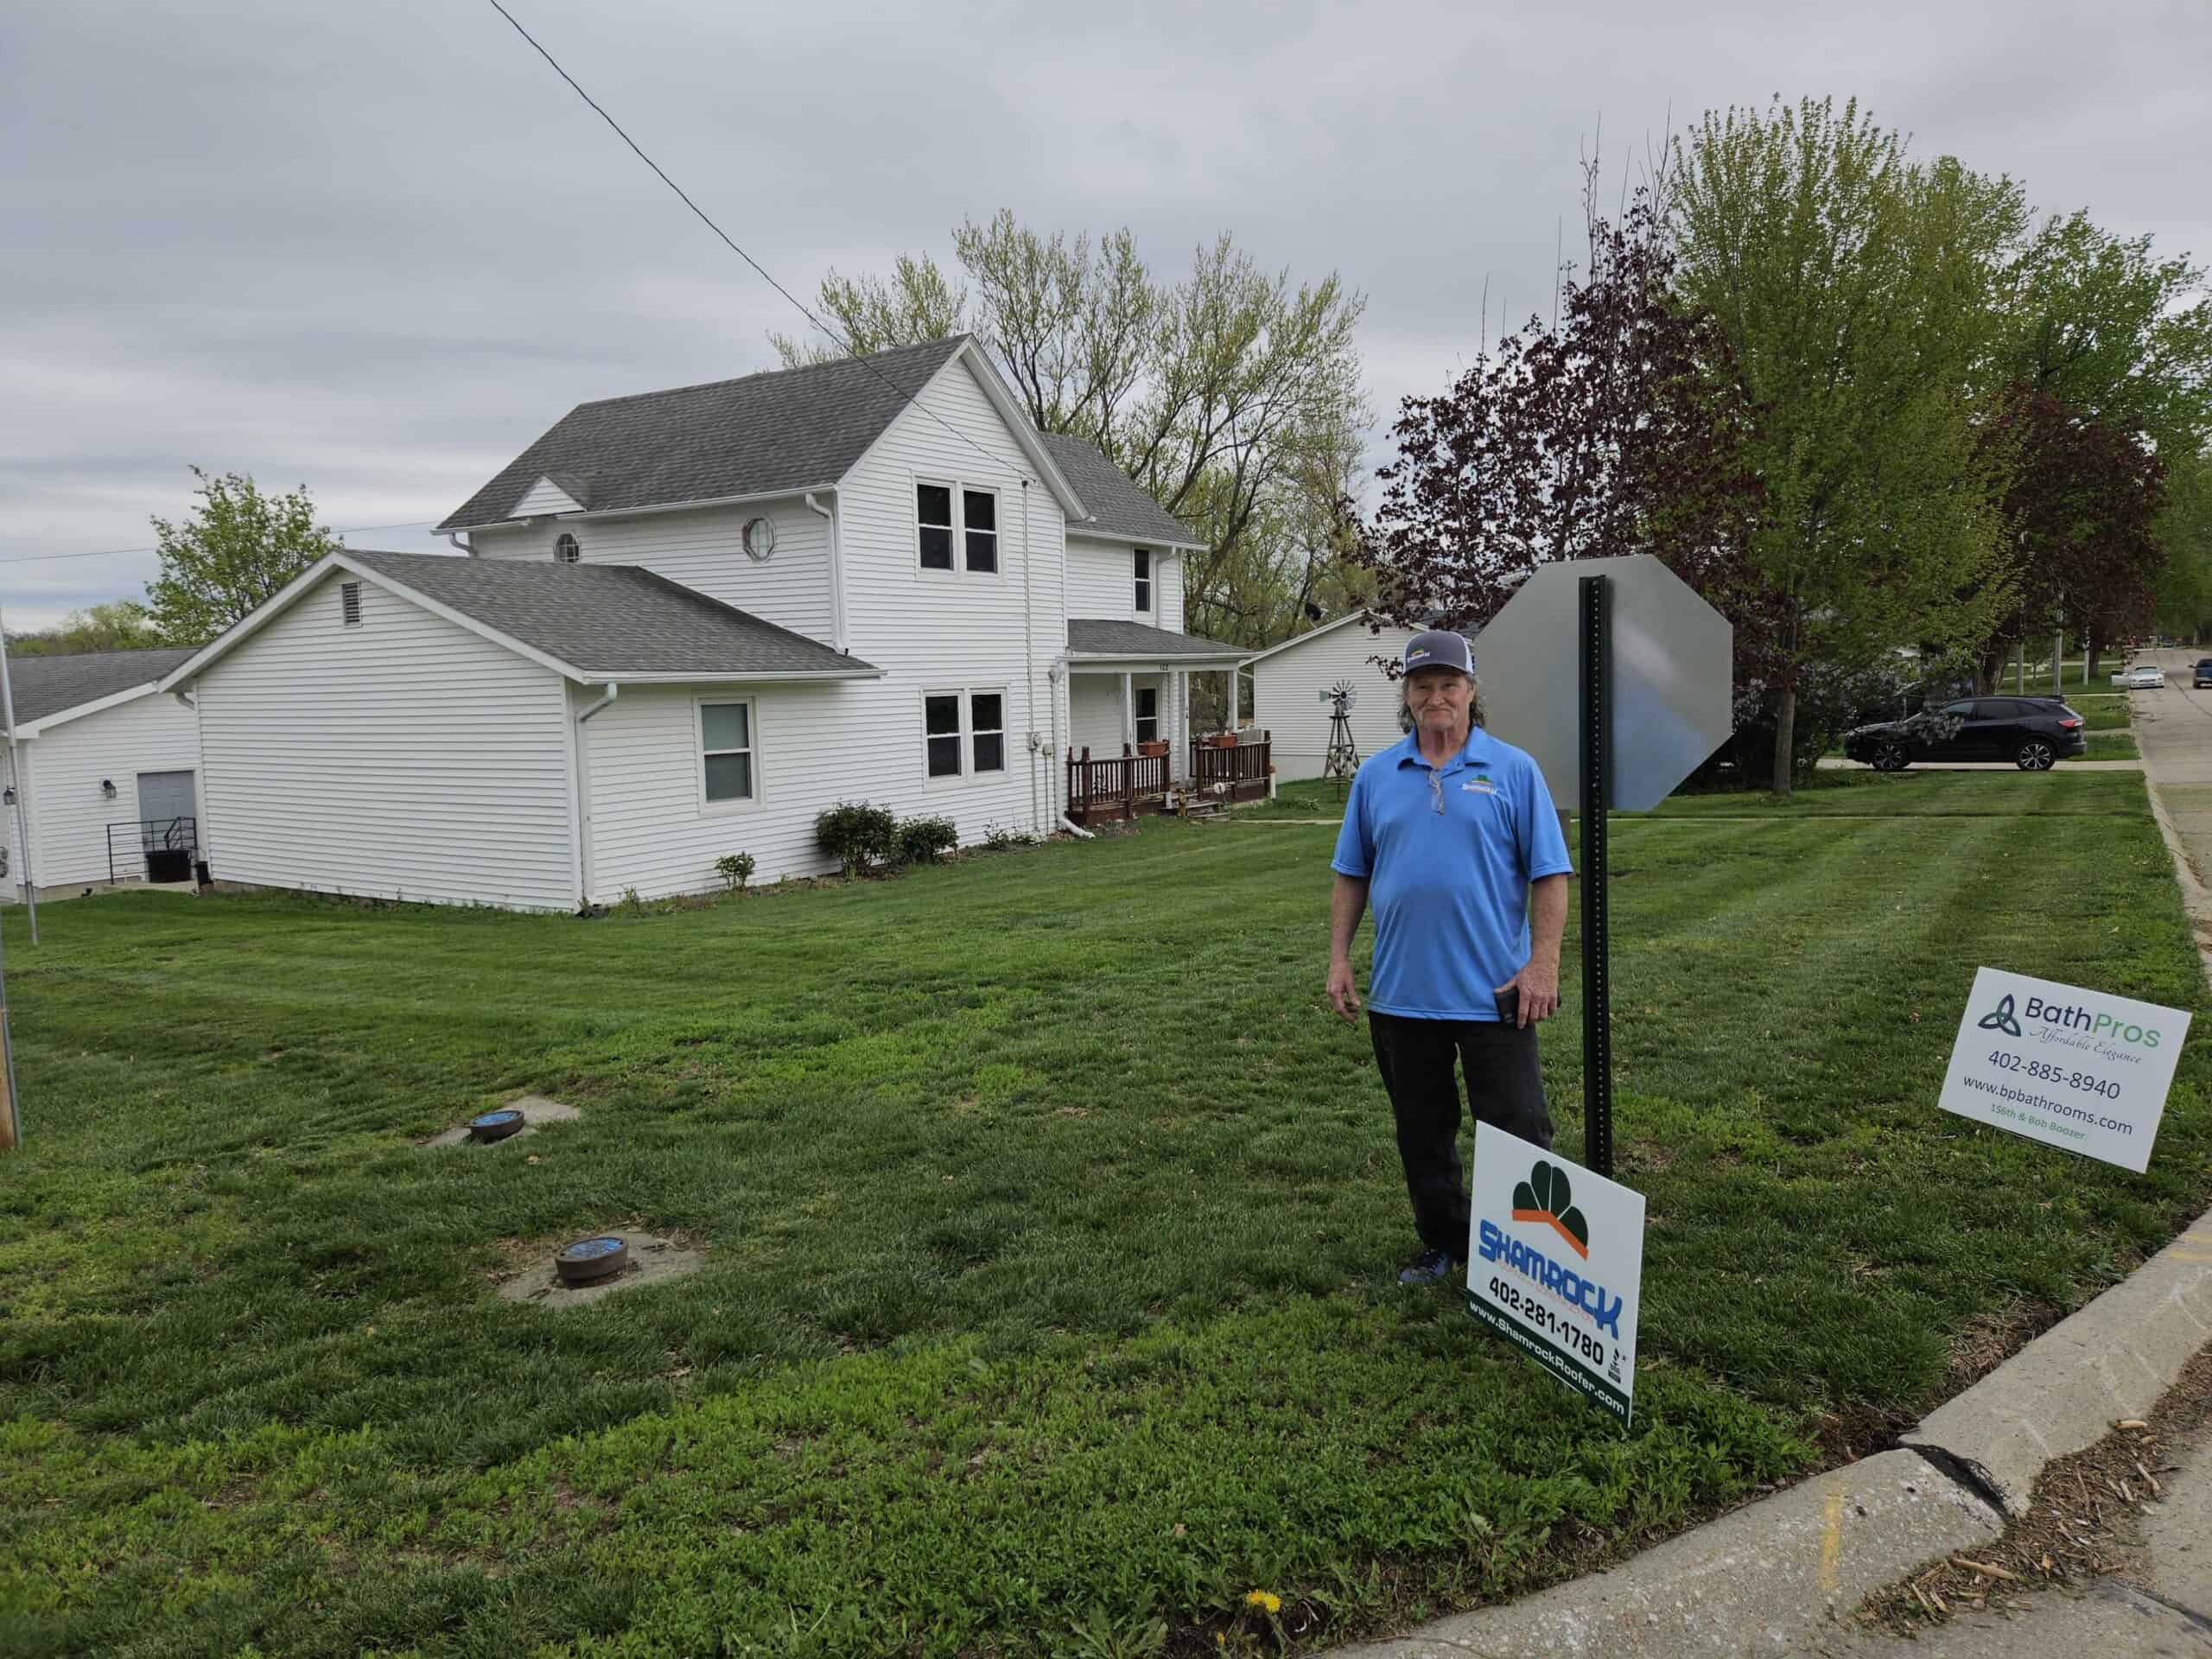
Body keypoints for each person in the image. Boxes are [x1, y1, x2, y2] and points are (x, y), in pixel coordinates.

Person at [1325, 629, 1573, 1285]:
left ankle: (1527, 1262)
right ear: (1407, 696)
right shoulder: (1377, 775)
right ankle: (1445, 1244)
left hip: (1497, 993)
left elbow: (1550, 874)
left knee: (1519, 1129)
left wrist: (1542, 965)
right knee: (1422, 1134)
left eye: (1449, 685)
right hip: (1403, 995)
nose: (1436, 697)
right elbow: (1352, 872)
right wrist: (1340, 959)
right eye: (1422, 686)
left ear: (1471, 691)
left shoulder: (1513, 770)